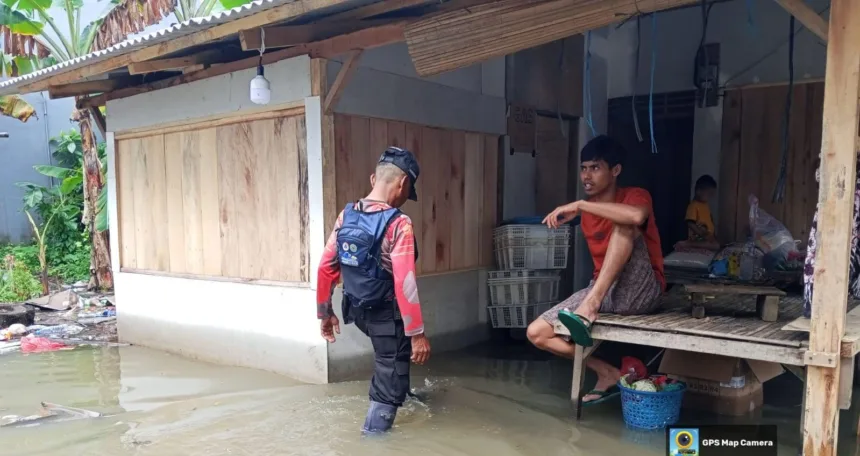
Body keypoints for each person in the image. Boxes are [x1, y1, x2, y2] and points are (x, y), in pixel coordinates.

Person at [526, 135, 665, 406]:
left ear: (615, 170)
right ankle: (607, 372)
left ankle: (589, 307)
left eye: (595, 168)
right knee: (537, 332)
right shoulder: (589, 214)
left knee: (625, 222)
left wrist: (579, 205)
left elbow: (636, 217)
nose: (586, 176)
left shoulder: (635, 196)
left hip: (643, 291)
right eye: (583, 168)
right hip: (604, 291)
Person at [315, 146, 431, 434]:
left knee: (396, 353)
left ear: (372, 179)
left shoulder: (346, 215)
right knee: (388, 373)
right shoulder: (399, 223)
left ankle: (405, 396)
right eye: (408, 191)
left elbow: (325, 267)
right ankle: (373, 437)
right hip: (384, 315)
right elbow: (405, 284)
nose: (406, 198)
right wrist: (418, 333)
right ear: (403, 183)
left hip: (357, 310)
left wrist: (325, 313)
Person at [676, 175, 719, 251]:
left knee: (717, 244)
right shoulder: (693, 206)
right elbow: (690, 223)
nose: (710, 197)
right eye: (709, 194)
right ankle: (687, 244)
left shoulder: (705, 205)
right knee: (715, 246)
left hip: (707, 236)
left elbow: (709, 219)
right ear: (699, 191)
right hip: (698, 237)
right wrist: (701, 233)